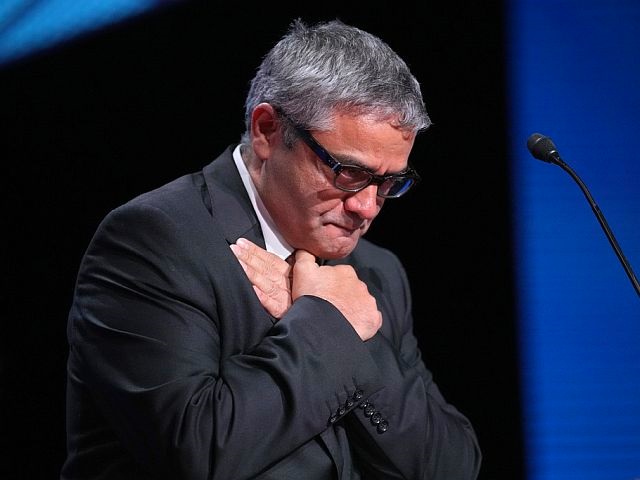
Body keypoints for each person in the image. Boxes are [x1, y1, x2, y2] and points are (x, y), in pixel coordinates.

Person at [61, 18, 482, 480]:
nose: (366, 207)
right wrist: (329, 325)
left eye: (389, 182)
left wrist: (353, 332)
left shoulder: (376, 271)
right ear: (267, 131)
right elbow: (196, 453)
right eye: (348, 172)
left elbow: (451, 467)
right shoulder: (154, 239)